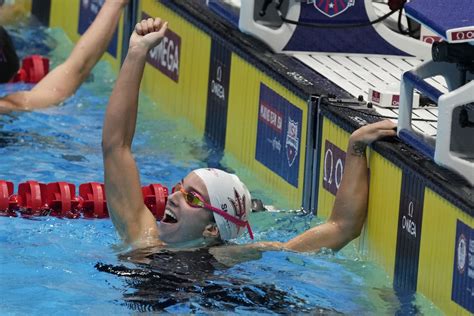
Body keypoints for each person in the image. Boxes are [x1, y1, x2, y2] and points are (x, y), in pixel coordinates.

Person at [102, 16, 398, 252]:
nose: (174, 197)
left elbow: (341, 228)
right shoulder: (142, 239)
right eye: (180, 187)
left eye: (192, 198)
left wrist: (355, 149)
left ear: (212, 229)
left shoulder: (229, 259)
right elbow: (116, 147)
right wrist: (137, 53)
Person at [0, 0, 128, 112]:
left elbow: (77, 68)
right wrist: (115, 3)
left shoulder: (8, 105)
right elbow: (77, 68)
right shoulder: (9, 105)